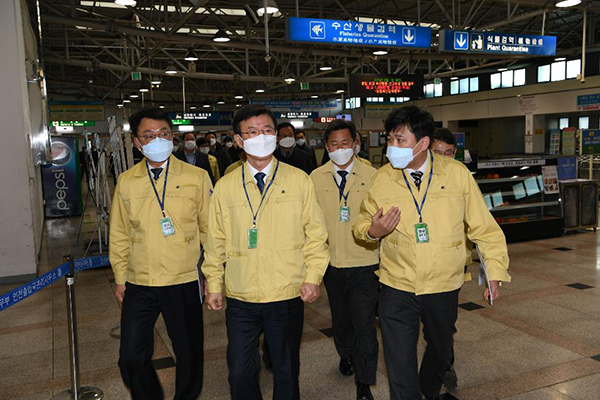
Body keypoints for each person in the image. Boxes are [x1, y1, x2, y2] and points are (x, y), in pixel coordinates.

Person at [353, 106, 510, 400]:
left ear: (423, 143)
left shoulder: (456, 174)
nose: (392, 148)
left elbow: (484, 229)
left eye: (400, 141)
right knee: (399, 361)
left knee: (440, 349)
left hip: (443, 284)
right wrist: (372, 231)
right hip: (397, 284)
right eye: (390, 140)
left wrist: (495, 273)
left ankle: (427, 387)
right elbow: (362, 222)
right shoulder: (383, 177)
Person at [202, 104, 330, 400]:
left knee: (286, 368)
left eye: (267, 130)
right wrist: (214, 284)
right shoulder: (225, 186)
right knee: (240, 370)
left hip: (285, 293)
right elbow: (215, 240)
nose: (261, 137)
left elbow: (316, 234)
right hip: (241, 295)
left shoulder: (299, 180)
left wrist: (313, 277)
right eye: (252, 132)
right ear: (238, 140)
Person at [109, 107, 212, 400]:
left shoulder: (197, 177)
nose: (158, 140)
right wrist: (120, 277)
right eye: (149, 135)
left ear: (173, 137)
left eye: (164, 133)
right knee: (130, 355)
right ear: (137, 143)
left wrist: (212, 276)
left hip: (183, 279)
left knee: (189, 353)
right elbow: (119, 233)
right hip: (139, 281)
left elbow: (211, 232)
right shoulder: (127, 181)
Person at [310, 119, 379, 400]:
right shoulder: (314, 178)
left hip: (365, 262)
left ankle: (364, 384)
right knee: (341, 322)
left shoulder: (374, 176)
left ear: (356, 145)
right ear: (326, 148)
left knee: (365, 324)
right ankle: (345, 352)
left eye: (345, 143)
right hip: (331, 264)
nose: (340, 149)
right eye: (334, 144)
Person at [429, 127, 474, 392]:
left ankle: (446, 363)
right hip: (415, 263)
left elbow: (475, 219)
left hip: (451, 262)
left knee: (444, 323)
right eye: (437, 153)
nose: (443, 158)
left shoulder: (461, 177)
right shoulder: (412, 178)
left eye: (448, 153)